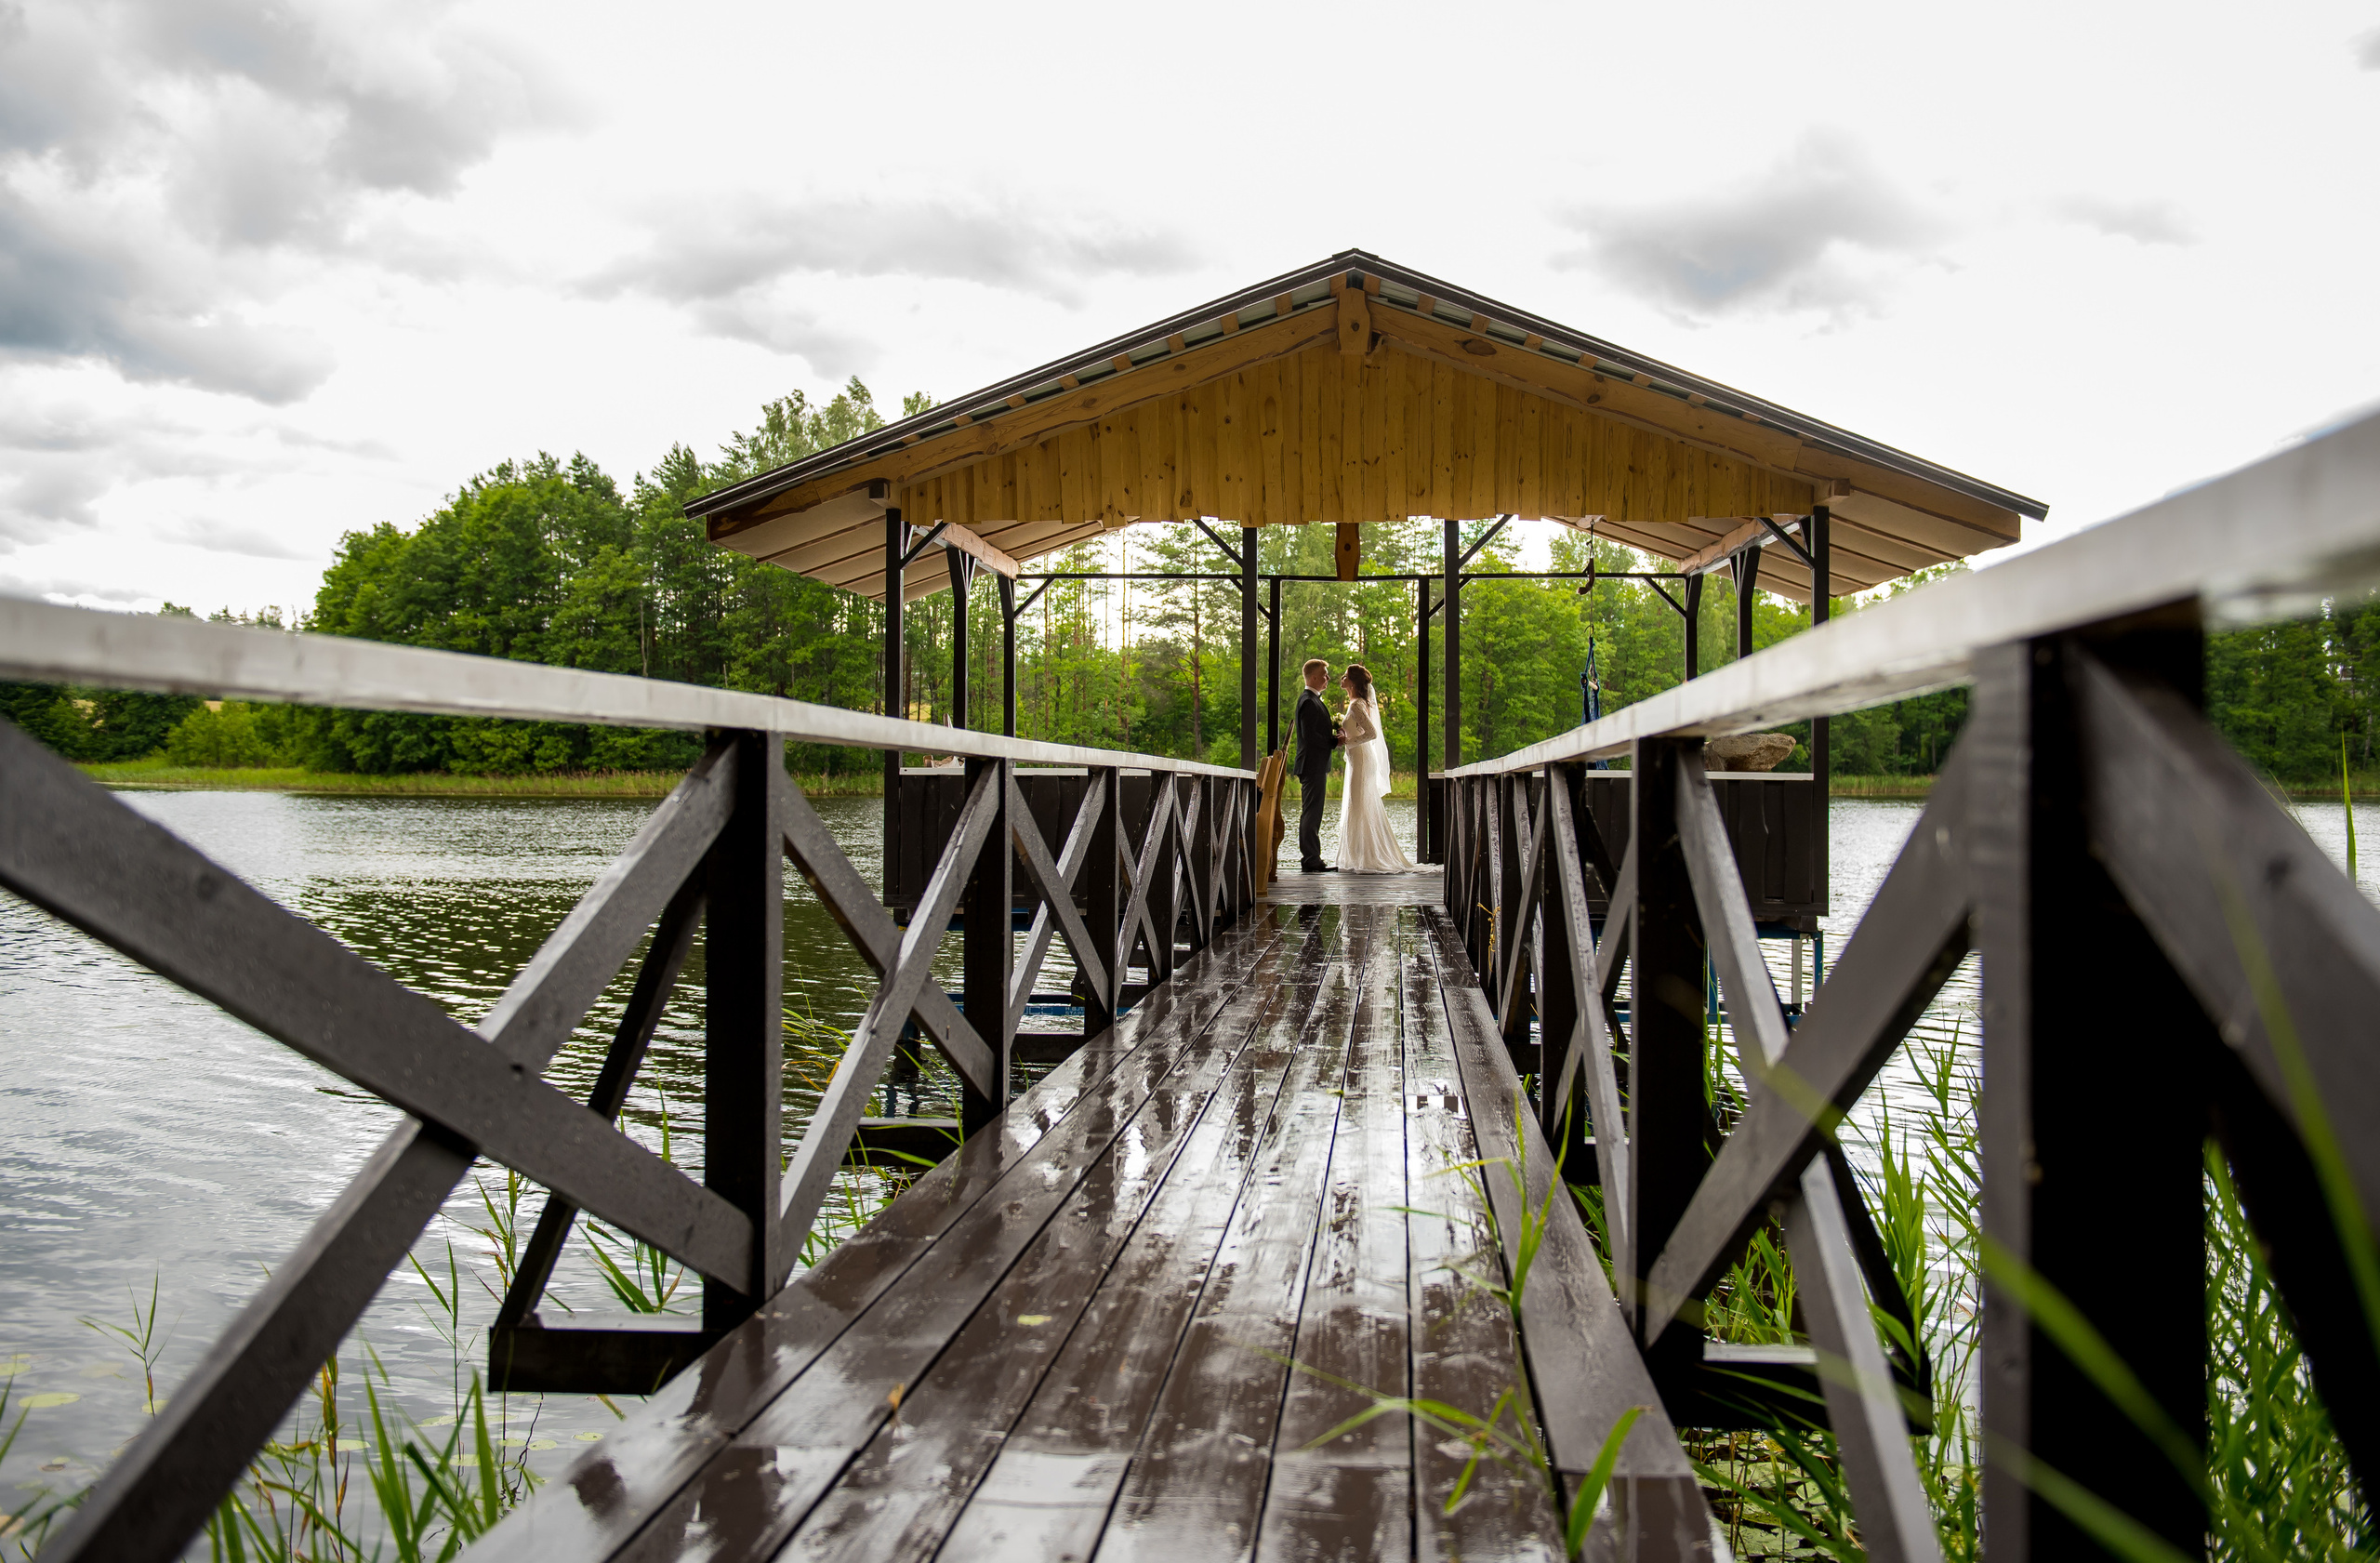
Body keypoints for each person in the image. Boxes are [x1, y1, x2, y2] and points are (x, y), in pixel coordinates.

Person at [1335, 663, 1414, 873]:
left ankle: (1365, 857)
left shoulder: (1357, 705)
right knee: (1360, 805)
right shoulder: (1356, 703)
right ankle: (1362, 854)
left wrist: (1347, 741)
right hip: (1357, 759)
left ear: (1352, 682)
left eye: (1345, 676)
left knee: (1358, 804)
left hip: (1361, 759)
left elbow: (1372, 734)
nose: (1341, 678)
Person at [1291, 657, 1341, 872]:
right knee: (1311, 813)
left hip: (1315, 765)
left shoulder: (1313, 700)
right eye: (1324, 674)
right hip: (1312, 765)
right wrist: (1334, 741)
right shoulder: (1308, 702)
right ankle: (1311, 860)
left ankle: (1312, 858)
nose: (1328, 678)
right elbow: (1310, 737)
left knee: (1313, 812)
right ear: (1313, 677)